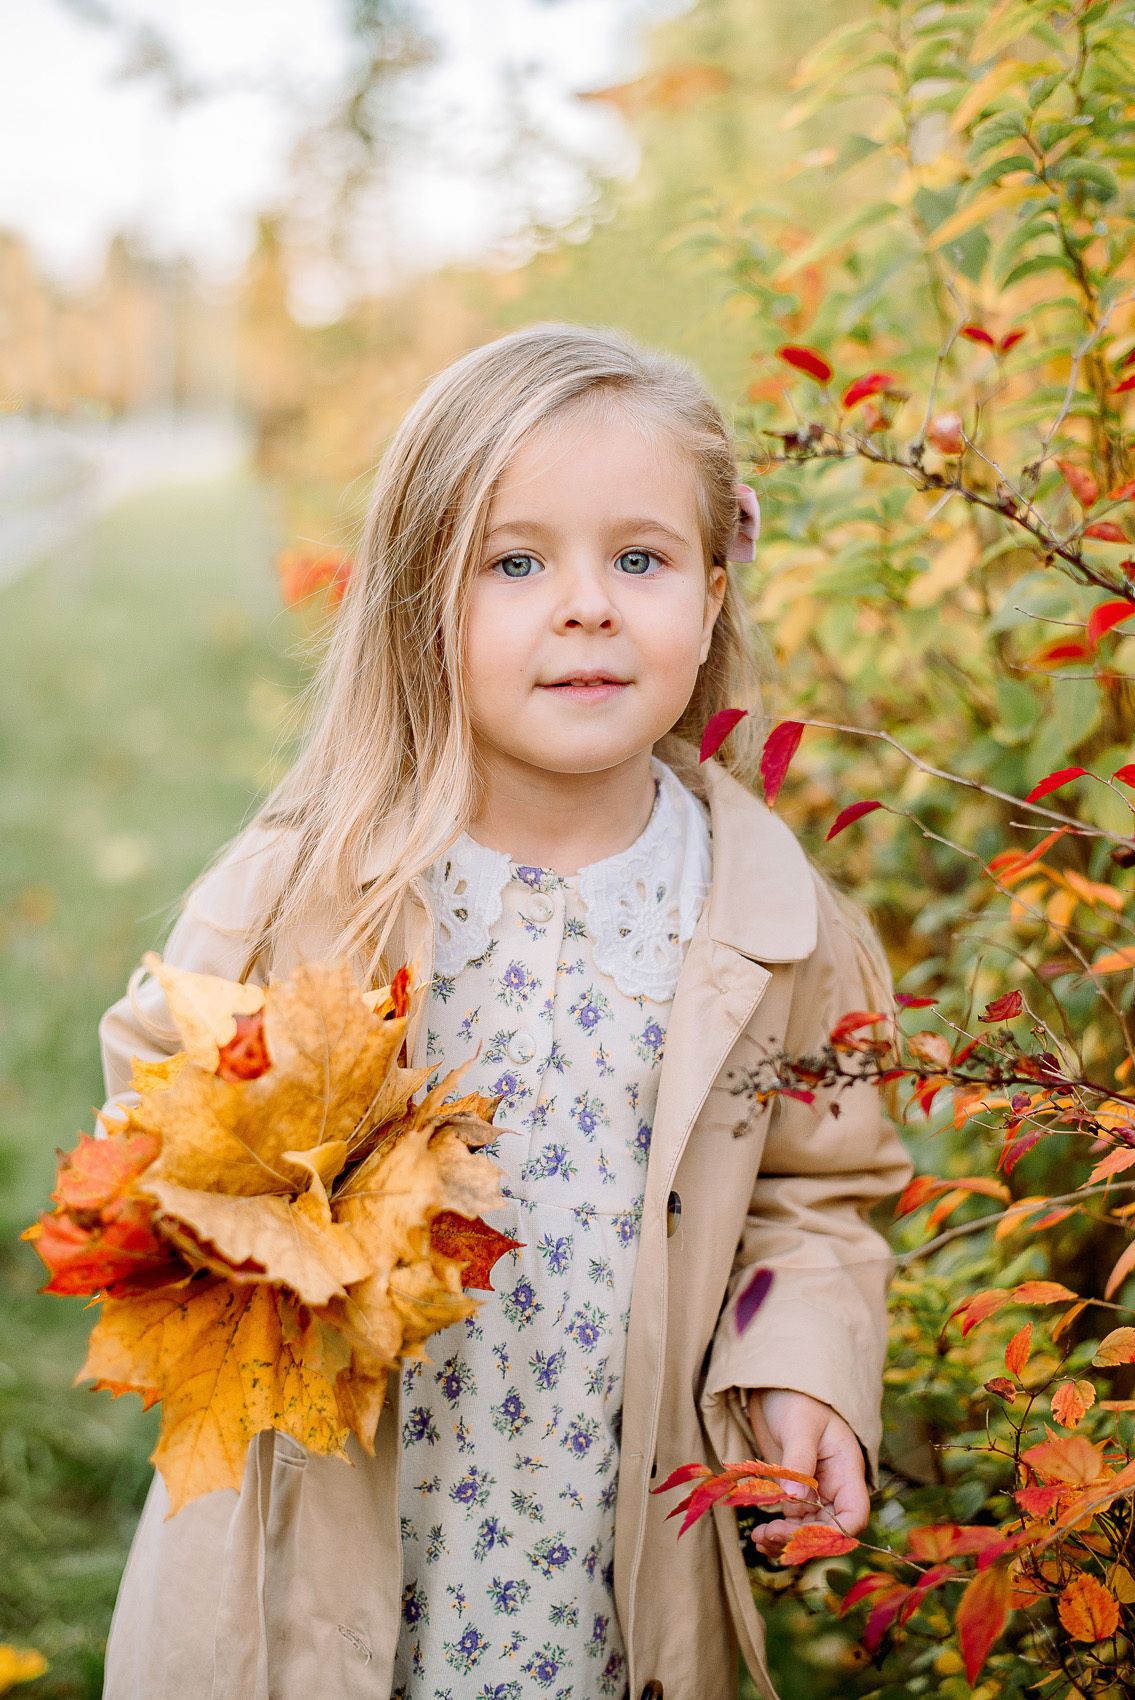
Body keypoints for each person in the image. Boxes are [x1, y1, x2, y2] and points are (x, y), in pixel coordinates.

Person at [98, 324, 910, 1700]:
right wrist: (279, 1219)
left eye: (639, 559)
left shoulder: (770, 918)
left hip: (611, 1556)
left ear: (715, 591)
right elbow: (157, 1135)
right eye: (516, 561)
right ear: (421, 597)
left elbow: (818, 1192)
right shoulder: (309, 890)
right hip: (331, 1553)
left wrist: (806, 1366)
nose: (586, 606)